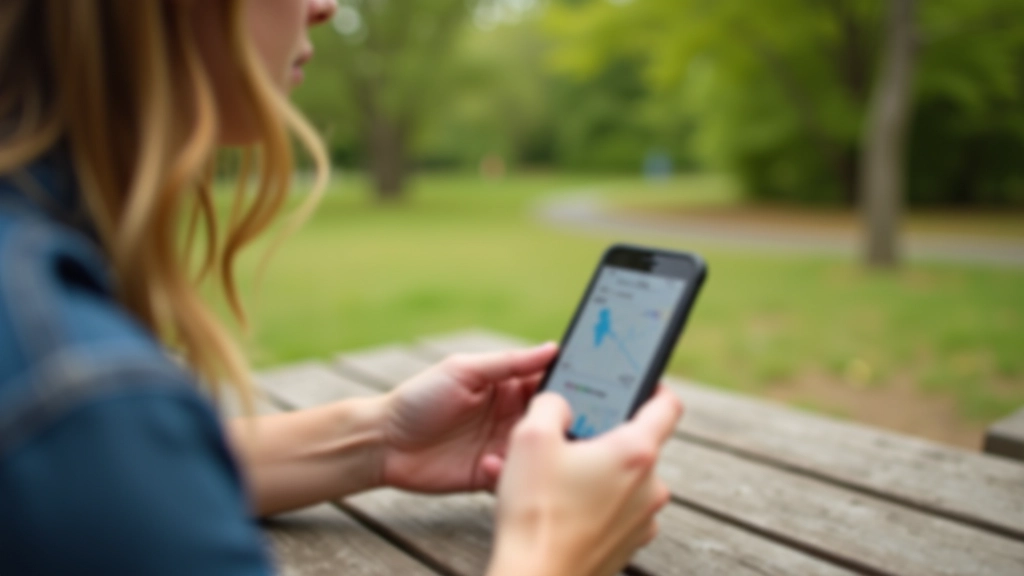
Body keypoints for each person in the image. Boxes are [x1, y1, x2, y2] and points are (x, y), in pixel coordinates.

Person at [0, 1, 683, 575]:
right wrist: (550, 550)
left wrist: (379, 441)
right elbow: (85, 435)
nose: (325, 5)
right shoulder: (75, 381)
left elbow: (103, 480)